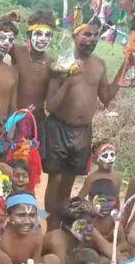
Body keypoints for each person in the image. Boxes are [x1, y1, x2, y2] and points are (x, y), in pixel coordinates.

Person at [43, 19, 127, 229]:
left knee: (70, 179)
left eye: (96, 35)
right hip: (58, 127)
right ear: (75, 37)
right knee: (56, 178)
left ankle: (62, 222)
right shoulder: (61, 63)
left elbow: (106, 97)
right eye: (86, 34)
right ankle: (51, 225)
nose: (92, 39)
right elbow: (50, 105)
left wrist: (126, 67)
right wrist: (69, 79)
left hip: (82, 131)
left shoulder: (99, 64)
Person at [43, 198, 113, 264]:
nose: (90, 228)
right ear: (68, 226)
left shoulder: (88, 229)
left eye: (91, 223)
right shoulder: (57, 241)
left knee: (106, 263)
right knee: (53, 262)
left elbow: (113, 253)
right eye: (84, 224)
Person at [0, 192, 62, 264]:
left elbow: (36, 261)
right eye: (21, 215)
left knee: (53, 260)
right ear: (8, 216)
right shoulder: (2, 238)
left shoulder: (36, 236)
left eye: (32, 215)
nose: (27, 221)